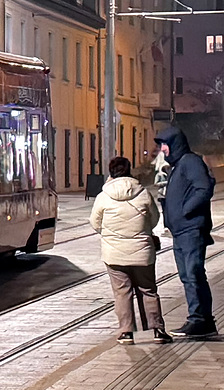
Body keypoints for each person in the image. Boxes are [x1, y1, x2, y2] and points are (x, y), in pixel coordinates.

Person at [90, 156, 170, 345]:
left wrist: (110, 233)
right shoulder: (142, 193)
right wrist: (142, 231)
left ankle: (126, 332)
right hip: (142, 252)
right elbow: (154, 219)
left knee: (122, 293)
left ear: (111, 172)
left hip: (114, 254)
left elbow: (95, 223)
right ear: (129, 170)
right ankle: (158, 330)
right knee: (148, 290)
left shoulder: (103, 196)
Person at [154, 125, 217, 338]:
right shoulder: (178, 165)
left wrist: (185, 210)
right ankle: (201, 319)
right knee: (187, 275)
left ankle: (199, 320)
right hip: (181, 230)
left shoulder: (190, 162)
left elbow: (204, 187)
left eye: (165, 145)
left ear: (174, 144)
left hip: (191, 229)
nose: (162, 149)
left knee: (193, 274)